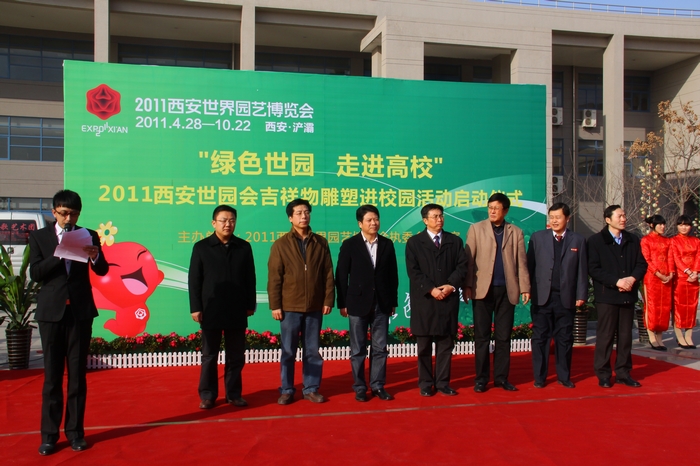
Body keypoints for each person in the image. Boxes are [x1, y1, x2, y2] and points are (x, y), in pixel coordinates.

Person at [29, 190, 108, 456]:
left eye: (73, 214)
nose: (68, 218)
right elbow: (36, 273)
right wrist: (60, 253)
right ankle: (49, 436)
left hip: (79, 312)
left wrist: (95, 256)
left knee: (77, 376)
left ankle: (75, 433)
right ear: (54, 212)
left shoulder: (88, 235)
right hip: (51, 313)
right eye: (63, 213)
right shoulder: (40, 237)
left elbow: (102, 269)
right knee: (52, 377)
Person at [188, 205, 256, 409]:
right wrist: (195, 307)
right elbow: (194, 281)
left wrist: (250, 304)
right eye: (223, 220)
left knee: (236, 356)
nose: (228, 224)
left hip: (237, 309)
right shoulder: (201, 248)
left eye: (232, 220)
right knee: (209, 355)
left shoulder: (243, 247)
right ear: (214, 223)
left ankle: (233, 394)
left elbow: (250, 279)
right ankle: (208, 395)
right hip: (211, 309)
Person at [268, 199, 335, 404]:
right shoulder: (281, 245)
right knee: (288, 351)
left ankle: (311, 388)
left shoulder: (321, 242)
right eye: (298, 213)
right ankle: (287, 389)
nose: (303, 216)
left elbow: (328, 273)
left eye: (306, 212)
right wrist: (275, 305)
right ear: (290, 218)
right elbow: (275, 277)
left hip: (314, 305)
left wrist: (328, 299)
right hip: (289, 307)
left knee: (312, 351)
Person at [465, 193, 530, 393]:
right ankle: (481, 379)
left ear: (506, 211)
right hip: (482, 290)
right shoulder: (476, 229)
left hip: (507, 290)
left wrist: (525, 287)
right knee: (481, 337)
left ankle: (501, 378)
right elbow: (469, 260)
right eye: (490, 207)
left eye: (496, 208)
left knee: (503, 337)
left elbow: (521, 262)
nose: (492, 211)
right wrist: (467, 286)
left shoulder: (515, 232)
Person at [336, 205, 399, 402]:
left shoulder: (387, 244)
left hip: (382, 303)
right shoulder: (350, 244)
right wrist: (343, 303)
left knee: (380, 348)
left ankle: (378, 385)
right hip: (357, 303)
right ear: (360, 223)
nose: (374, 223)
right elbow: (341, 275)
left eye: (376, 219)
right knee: (358, 350)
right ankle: (360, 387)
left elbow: (393, 275)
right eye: (369, 220)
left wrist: (393, 301)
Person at [405, 203, 469, 396]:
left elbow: (462, 266)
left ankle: (442, 383)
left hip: (447, 300)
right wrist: (431, 289)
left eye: (441, 216)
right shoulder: (414, 243)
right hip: (425, 300)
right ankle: (425, 383)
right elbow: (413, 272)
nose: (439, 219)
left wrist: (451, 285)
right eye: (435, 216)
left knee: (445, 344)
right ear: (425, 220)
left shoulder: (454, 241)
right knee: (424, 346)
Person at [527, 203, 587, 389]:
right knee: (540, 338)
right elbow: (529, 267)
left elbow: (582, 270)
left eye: (558, 217)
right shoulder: (538, 238)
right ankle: (540, 377)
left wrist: (581, 294)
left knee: (565, 338)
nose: (554, 220)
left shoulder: (578, 240)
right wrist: (527, 289)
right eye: (551, 217)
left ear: (567, 218)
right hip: (542, 297)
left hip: (566, 297)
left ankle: (564, 376)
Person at [587, 205, 647, 388]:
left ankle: (623, 372)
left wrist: (631, 279)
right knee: (605, 336)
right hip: (607, 296)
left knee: (625, 337)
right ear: (608, 219)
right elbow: (593, 268)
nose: (623, 219)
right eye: (619, 216)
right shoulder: (596, 241)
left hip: (628, 294)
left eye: (624, 215)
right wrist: (616, 281)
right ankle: (603, 374)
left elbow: (641, 264)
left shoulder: (632, 239)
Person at [640, 214, 674, 351]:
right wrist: (658, 273)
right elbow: (646, 259)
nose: (662, 226)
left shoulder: (667, 241)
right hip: (652, 278)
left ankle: (660, 337)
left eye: (663, 224)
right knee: (652, 306)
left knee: (664, 308)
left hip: (666, 278)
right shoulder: (646, 240)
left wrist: (671, 273)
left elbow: (670, 258)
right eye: (659, 224)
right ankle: (651, 336)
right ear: (652, 225)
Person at [670, 215, 700, 349]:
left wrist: (696, 272)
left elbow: (699, 256)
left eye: (686, 225)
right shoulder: (674, 241)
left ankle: (689, 335)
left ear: (690, 226)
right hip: (680, 278)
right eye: (681, 225)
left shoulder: (696, 241)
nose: (684, 227)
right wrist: (688, 271)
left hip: (693, 278)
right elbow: (676, 258)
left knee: (692, 307)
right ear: (677, 226)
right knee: (679, 306)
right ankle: (679, 335)